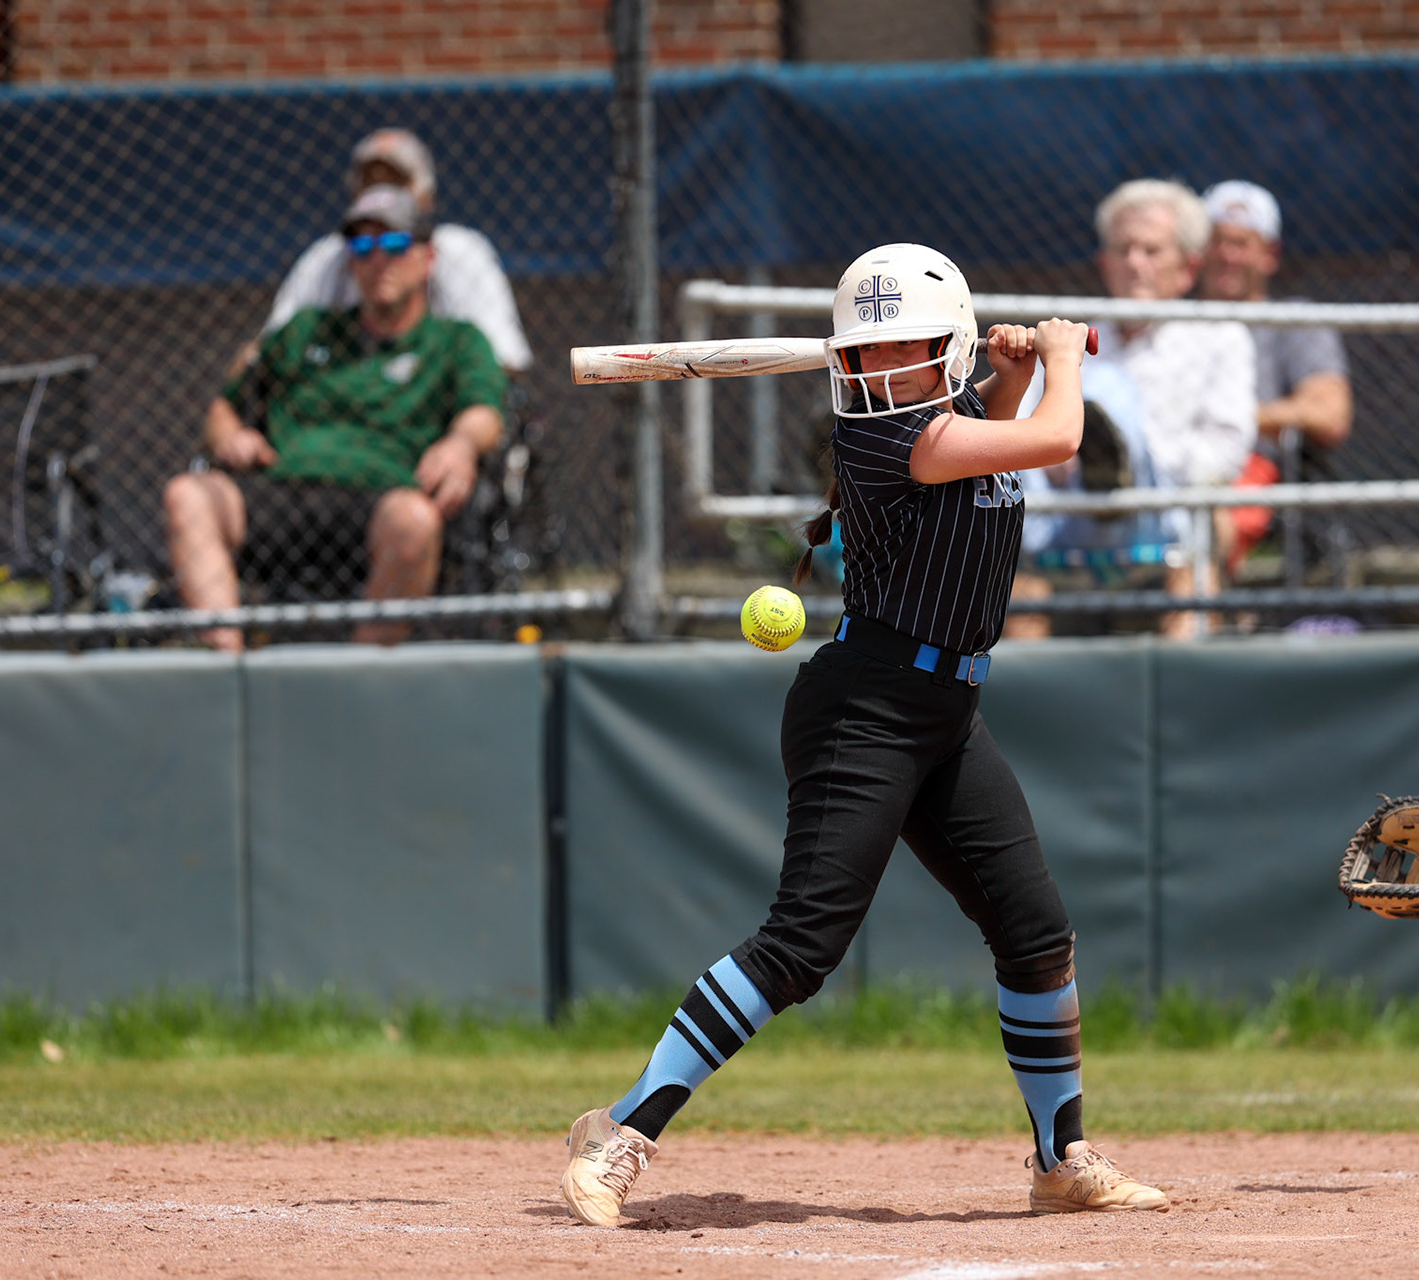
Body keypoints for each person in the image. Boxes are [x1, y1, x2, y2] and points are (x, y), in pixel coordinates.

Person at [558, 243, 1170, 1226]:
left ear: (950, 351)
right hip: (866, 709)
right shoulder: (887, 441)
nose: (880, 371)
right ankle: (620, 1132)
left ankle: (1061, 1158)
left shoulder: (957, 422)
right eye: (867, 355)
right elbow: (1057, 441)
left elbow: (997, 457)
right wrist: (1062, 357)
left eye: (906, 352)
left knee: (1035, 934)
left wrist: (1008, 374)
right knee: (803, 945)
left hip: (947, 714)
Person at [164, 185, 506, 651]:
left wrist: (461, 445)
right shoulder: (305, 329)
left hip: (380, 499)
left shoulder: (456, 341)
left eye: (393, 244)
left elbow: (484, 412)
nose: (377, 260)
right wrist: (230, 436)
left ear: (427, 259)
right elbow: (225, 404)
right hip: (282, 489)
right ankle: (229, 673)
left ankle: (356, 682)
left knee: (416, 521)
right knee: (187, 494)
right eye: (362, 247)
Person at [1006, 178, 1256, 639]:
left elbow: (1226, 450)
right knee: (1009, 533)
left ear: (1187, 267)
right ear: (1104, 263)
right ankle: (1023, 698)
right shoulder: (1065, 338)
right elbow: (1023, 428)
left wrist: (1145, 466)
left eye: (1151, 251)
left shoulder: (1222, 337)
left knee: (1207, 531)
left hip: (1164, 512)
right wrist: (1054, 465)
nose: (1134, 263)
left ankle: (1185, 692)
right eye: (1123, 250)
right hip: (1064, 515)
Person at [264, 127, 533, 373]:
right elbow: (269, 349)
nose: (383, 197)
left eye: (396, 182)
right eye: (371, 183)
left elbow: (503, 356)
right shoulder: (328, 254)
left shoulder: (457, 250)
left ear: (427, 197)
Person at [1198, 180, 1353, 580]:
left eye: (1241, 243)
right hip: (1168, 458)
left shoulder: (1293, 322)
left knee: (1204, 527)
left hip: (1246, 465)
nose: (1226, 255)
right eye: (1215, 241)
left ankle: (1193, 629)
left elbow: (1330, 414)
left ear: (1269, 255)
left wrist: (1230, 416)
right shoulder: (1170, 320)